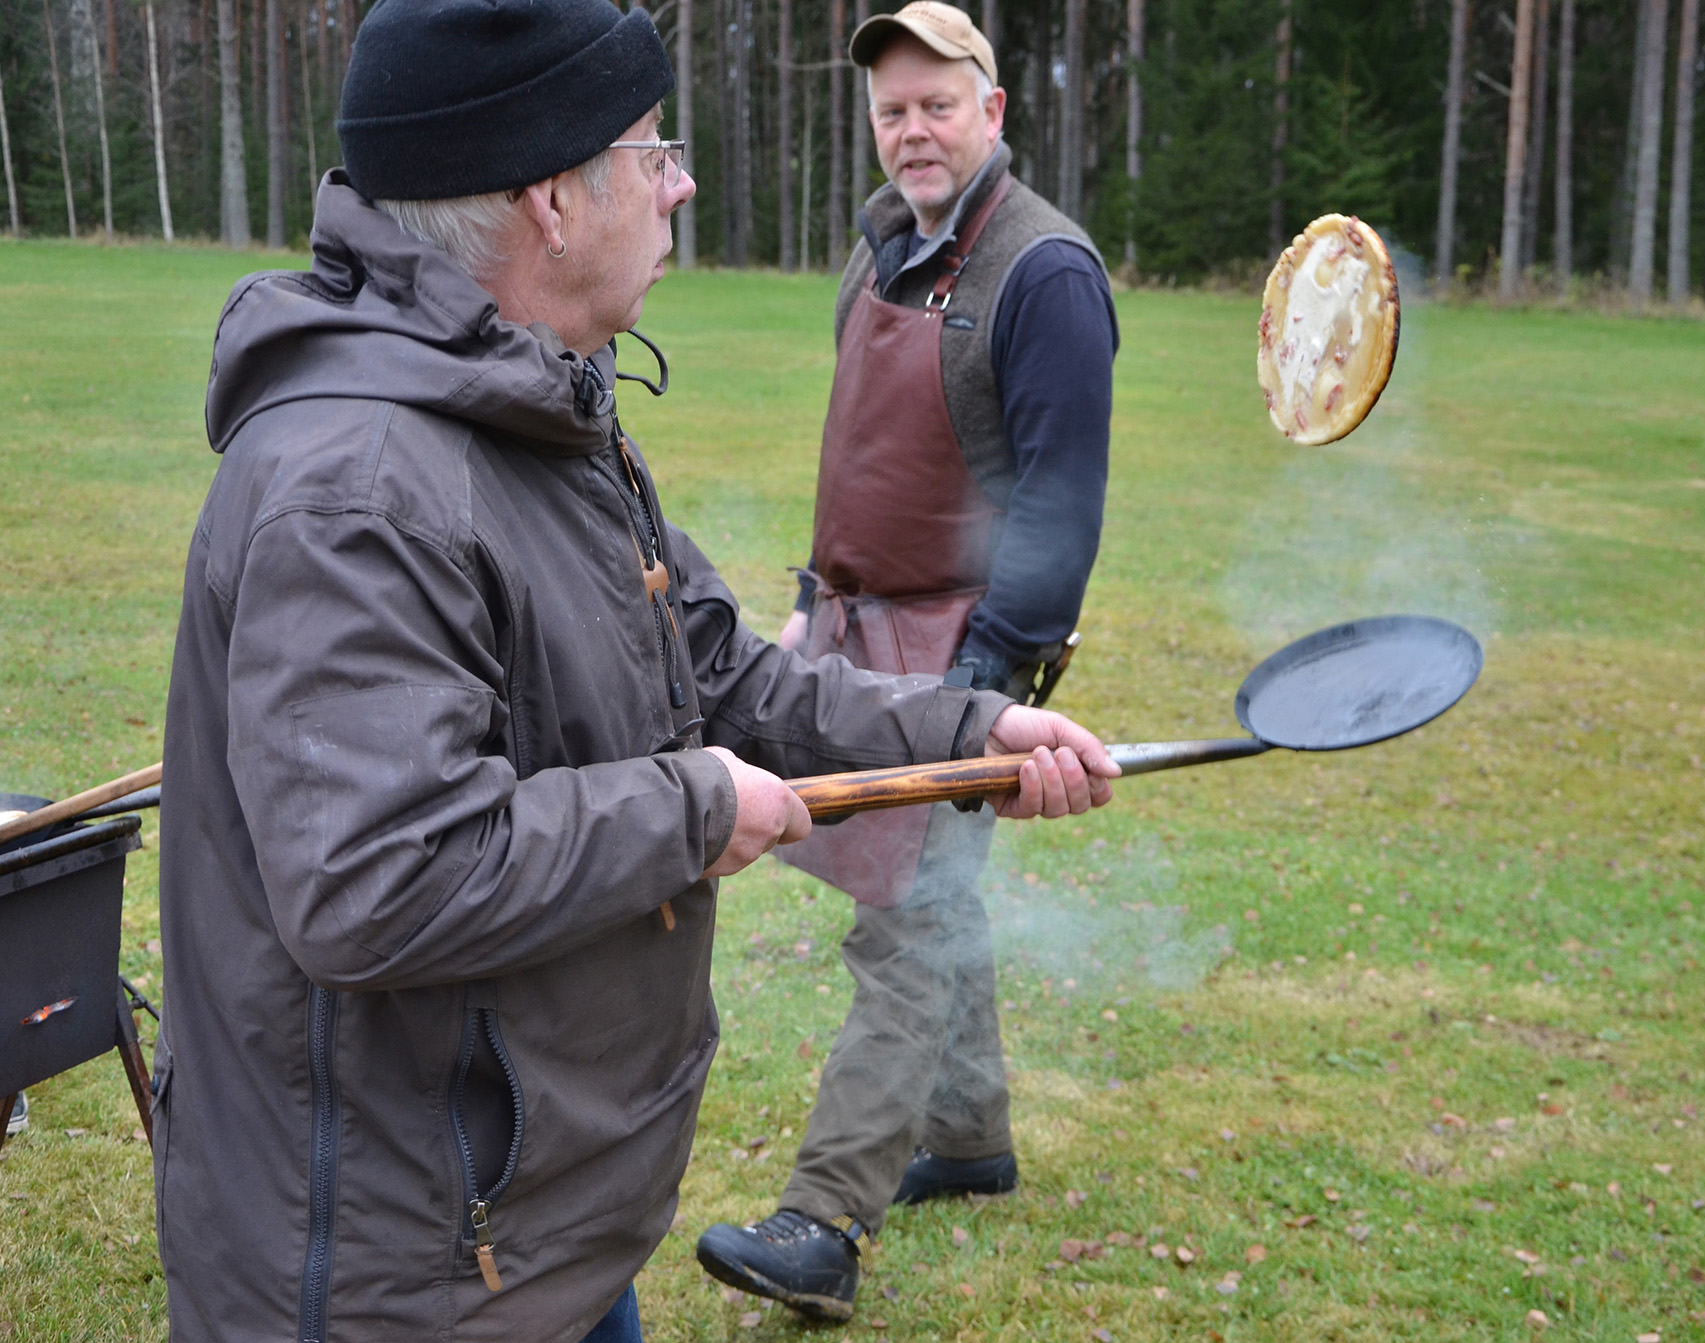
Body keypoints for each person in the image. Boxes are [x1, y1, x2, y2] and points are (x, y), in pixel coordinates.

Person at [151, 0, 1116, 1338]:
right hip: (399, 1276)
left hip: (532, 1228)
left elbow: (711, 670)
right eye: (652, 149)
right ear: (553, 195)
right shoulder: (361, 489)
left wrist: (969, 728)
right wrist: (699, 810)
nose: (682, 181)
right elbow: (377, 880)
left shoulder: (538, 399)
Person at [695, 2, 1118, 1322]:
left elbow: (1058, 512)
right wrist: (810, 621)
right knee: (928, 893)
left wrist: (980, 700)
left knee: (912, 915)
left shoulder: (1042, 271)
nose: (913, 131)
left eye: (939, 104)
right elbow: (864, 461)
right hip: (859, 631)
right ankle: (971, 1136)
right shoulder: (883, 246)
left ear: (995, 111)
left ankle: (823, 1222)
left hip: (971, 645)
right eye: (892, 109)